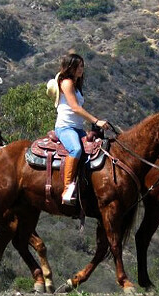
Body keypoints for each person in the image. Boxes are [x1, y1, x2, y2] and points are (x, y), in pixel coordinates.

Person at [52, 53, 109, 206]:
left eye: (82, 66)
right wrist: (96, 121)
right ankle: (67, 188)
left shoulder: (76, 85)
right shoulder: (66, 82)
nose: (81, 69)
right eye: (77, 66)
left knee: (95, 148)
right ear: (70, 67)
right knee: (75, 149)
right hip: (65, 127)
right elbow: (75, 108)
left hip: (77, 128)